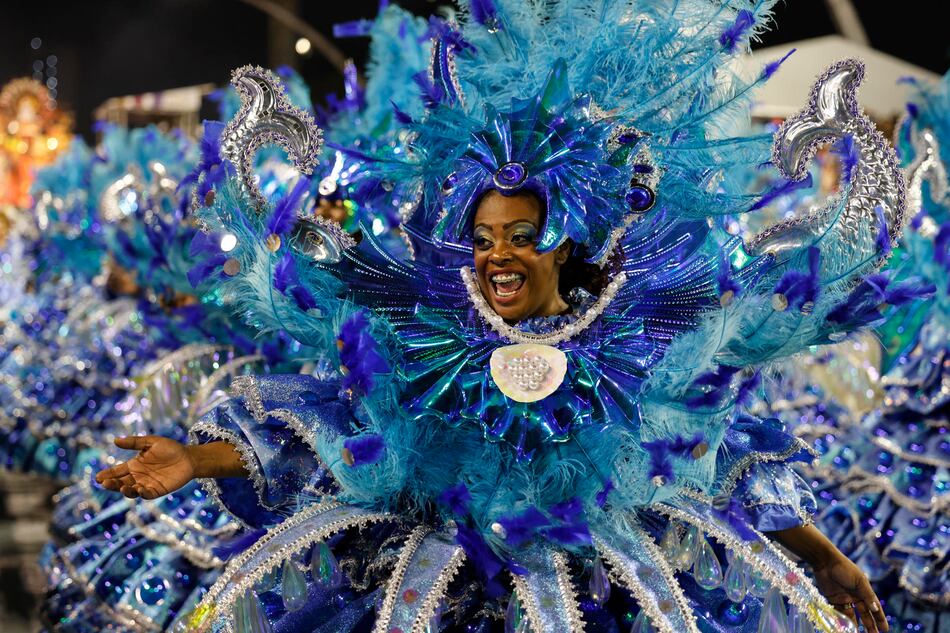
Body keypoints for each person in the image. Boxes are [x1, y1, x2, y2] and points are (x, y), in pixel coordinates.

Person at [96, 2, 907, 631]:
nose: (497, 257)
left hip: (602, 595)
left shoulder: (639, 320)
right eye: (483, 238)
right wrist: (196, 461)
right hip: (440, 592)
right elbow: (333, 428)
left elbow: (716, 455)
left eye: (524, 236)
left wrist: (827, 558)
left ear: (568, 245)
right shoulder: (427, 315)